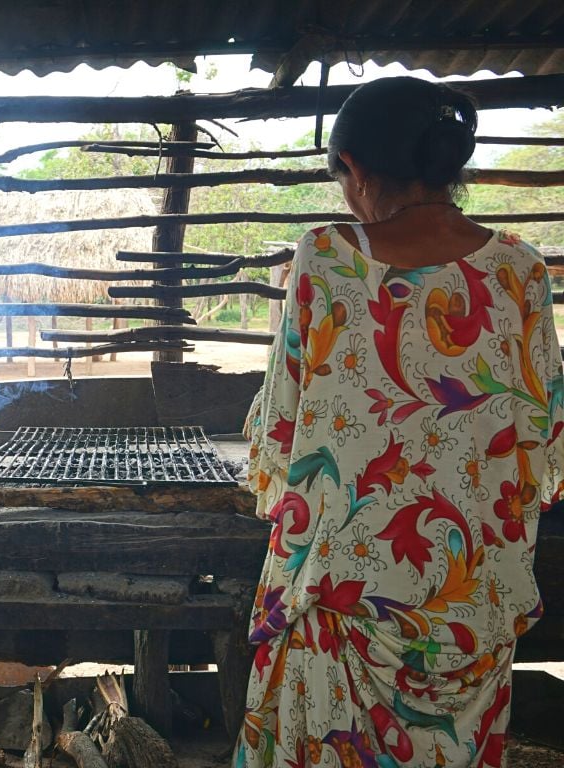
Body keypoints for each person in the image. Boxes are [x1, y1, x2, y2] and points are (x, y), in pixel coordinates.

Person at [238, 76, 564, 768]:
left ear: (354, 170)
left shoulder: (325, 257)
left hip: (341, 616)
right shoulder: (523, 273)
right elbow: (540, 453)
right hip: (473, 622)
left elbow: (280, 437)